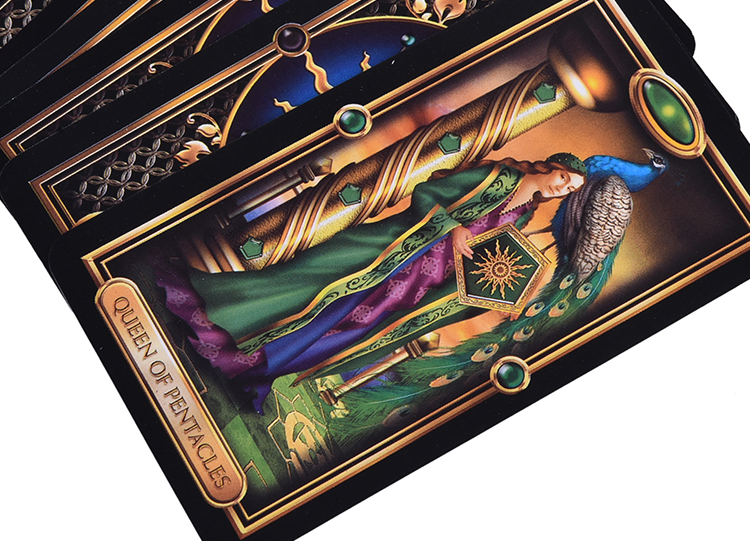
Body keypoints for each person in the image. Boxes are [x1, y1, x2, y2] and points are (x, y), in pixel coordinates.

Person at [153, 154, 586, 411]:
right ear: (549, 167)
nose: (561, 188)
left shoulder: (524, 214)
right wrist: (452, 227)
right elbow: (426, 194)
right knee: (312, 296)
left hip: (417, 285)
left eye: (569, 190)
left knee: (346, 332)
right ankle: (221, 326)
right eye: (564, 178)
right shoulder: (496, 178)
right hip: (387, 253)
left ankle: (256, 366)